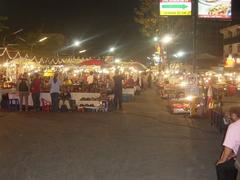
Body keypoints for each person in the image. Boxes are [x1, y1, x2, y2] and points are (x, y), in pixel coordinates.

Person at [216, 106, 240, 180]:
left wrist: (222, 160)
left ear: (234, 115)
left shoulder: (233, 126)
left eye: (230, 115)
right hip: (238, 154)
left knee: (221, 166)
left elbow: (228, 147)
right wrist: (234, 154)